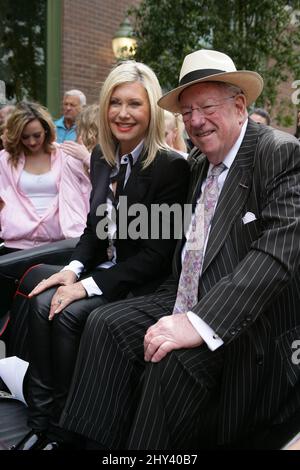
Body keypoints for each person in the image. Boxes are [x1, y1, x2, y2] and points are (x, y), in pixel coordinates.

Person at [56, 49, 300, 450]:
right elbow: (152, 234)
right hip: (181, 294)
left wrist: (198, 321)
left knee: (168, 360)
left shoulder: (277, 152)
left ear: (239, 105)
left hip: (245, 318)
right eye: (187, 112)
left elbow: (276, 255)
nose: (196, 122)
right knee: (105, 325)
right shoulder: (199, 163)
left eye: (206, 107)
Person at [11, 61, 189, 450]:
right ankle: (45, 422)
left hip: (143, 283)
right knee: (42, 301)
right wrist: (72, 271)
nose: (123, 114)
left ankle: (69, 430)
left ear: (152, 110)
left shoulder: (169, 167)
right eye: (116, 102)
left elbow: (154, 257)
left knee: (67, 311)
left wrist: (86, 287)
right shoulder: (102, 157)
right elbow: (96, 229)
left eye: (135, 104)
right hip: (104, 267)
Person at [0, 101, 91, 253]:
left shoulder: (64, 155)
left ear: (47, 130)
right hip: (15, 245)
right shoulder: (5, 159)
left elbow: (92, 185)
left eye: (37, 135)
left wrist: (87, 158)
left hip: (57, 243)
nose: (32, 142)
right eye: (25, 137)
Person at [59, 103, 100, 172]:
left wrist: (86, 157)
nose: (68, 108)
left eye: (72, 105)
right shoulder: (73, 159)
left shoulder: (113, 154)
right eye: (65, 104)